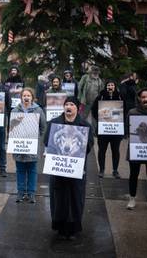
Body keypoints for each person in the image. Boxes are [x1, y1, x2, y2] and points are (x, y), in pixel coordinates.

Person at [44, 96, 93, 240]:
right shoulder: (54, 123)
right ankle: (59, 227)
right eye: (67, 104)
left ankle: (73, 228)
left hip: (76, 168)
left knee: (75, 197)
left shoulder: (85, 125)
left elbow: (89, 145)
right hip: (58, 168)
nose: (69, 107)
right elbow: (47, 141)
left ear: (77, 108)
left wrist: (77, 152)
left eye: (72, 104)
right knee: (59, 197)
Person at [126, 88, 147, 212]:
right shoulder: (132, 112)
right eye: (143, 97)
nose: (145, 99)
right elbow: (127, 129)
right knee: (133, 174)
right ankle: (132, 198)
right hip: (136, 148)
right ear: (139, 98)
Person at [12, 88, 46, 203]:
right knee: (20, 170)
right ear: (21, 97)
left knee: (32, 170)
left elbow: (43, 128)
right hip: (19, 145)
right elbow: (11, 127)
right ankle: (20, 192)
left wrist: (36, 138)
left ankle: (31, 193)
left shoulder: (38, 110)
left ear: (32, 97)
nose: (26, 97)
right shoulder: (15, 110)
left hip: (32, 146)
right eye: (24, 95)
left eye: (28, 95)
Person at [91, 80, 123, 178]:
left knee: (115, 150)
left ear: (115, 86)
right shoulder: (100, 96)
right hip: (103, 129)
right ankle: (101, 170)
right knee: (102, 150)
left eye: (112, 85)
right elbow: (93, 109)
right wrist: (100, 118)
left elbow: (124, 110)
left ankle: (115, 170)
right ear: (106, 86)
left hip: (116, 129)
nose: (110, 86)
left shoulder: (120, 96)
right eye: (108, 85)